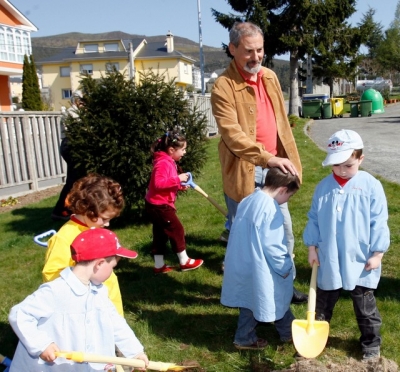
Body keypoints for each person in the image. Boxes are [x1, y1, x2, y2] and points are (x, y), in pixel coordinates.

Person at [210, 21, 307, 304]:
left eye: (260, 50)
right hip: (245, 172)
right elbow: (233, 136)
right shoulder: (223, 87)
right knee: (247, 241)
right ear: (232, 49)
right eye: (249, 51)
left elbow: (281, 125)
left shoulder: (270, 77)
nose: (256, 57)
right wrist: (267, 157)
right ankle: (250, 296)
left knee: (283, 232)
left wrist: (284, 160)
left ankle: (284, 288)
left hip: (275, 168)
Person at [9, 228, 149, 372]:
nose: (112, 272)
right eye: (112, 267)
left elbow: (116, 323)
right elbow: (20, 314)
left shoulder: (99, 291)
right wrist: (42, 345)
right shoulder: (56, 291)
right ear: (99, 264)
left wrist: (135, 352)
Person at [303, 129, 390, 360]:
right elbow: (313, 218)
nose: (342, 170)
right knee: (322, 303)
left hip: (360, 259)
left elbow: (379, 221)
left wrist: (378, 253)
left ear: (360, 159)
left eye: (348, 165)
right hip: (329, 256)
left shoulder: (371, 186)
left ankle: (371, 344)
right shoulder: (323, 188)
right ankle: (315, 339)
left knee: (365, 307)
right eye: (336, 165)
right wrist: (312, 247)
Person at [221, 168, 300, 349]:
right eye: (289, 195)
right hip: (261, 265)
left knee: (252, 299)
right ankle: (245, 337)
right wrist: (285, 266)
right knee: (273, 296)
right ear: (282, 190)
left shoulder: (249, 199)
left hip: (242, 261)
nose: (287, 200)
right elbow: (273, 245)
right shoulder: (271, 209)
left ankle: (286, 331)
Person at [43, 173, 126, 316]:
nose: (107, 224)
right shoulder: (65, 237)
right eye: (105, 219)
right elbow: (52, 275)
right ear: (86, 209)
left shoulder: (95, 229)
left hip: (108, 299)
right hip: (86, 308)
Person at [145, 130, 203, 274]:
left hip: (155, 204)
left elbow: (165, 183)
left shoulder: (166, 160)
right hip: (160, 206)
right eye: (182, 149)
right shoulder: (163, 163)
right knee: (177, 230)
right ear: (171, 150)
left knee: (160, 234)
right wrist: (178, 179)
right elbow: (158, 184)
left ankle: (159, 266)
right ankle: (184, 261)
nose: (185, 152)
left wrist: (178, 186)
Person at [51, 92, 85, 221]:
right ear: (77, 101)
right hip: (70, 145)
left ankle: (74, 208)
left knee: (79, 179)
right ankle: (60, 211)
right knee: (73, 179)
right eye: (82, 102)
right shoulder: (72, 113)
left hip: (76, 144)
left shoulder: (79, 112)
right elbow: (80, 129)